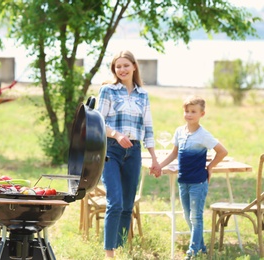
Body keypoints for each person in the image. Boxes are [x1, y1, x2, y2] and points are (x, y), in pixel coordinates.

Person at [96, 50, 161, 258]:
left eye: (126, 65)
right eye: (118, 66)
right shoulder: (108, 91)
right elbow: (98, 123)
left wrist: (154, 159)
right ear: (114, 70)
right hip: (111, 151)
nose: (122, 69)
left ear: (134, 66)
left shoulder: (143, 95)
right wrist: (116, 134)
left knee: (127, 205)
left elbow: (148, 128)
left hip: (134, 151)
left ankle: (121, 248)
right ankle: (109, 253)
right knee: (114, 202)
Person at [153, 95, 228, 259]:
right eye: (186, 111)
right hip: (183, 181)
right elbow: (174, 153)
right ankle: (201, 247)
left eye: (193, 111)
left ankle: (192, 251)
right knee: (188, 216)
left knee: (196, 216)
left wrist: (210, 166)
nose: (189, 114)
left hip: (198, 183)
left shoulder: (204, 135)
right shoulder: (179, 131)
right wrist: (159, 165)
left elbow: (222, 151)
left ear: (202, 114)